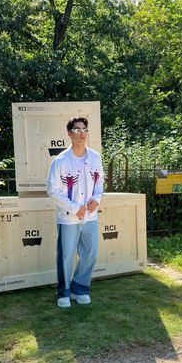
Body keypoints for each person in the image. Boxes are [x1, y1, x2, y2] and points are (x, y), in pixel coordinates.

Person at [47, 116, 104, 308]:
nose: (82, 133)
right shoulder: (60, 161)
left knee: (91, 252)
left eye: (85, 129)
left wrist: (96, 199)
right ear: (69, 134)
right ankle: (63, 292)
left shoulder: (95, 157)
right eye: (77, 130)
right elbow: (52, 190)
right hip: (68, 218)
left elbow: (100, 184)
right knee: (66, 255)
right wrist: (75, 208)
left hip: (90, 216)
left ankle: (79, 287)